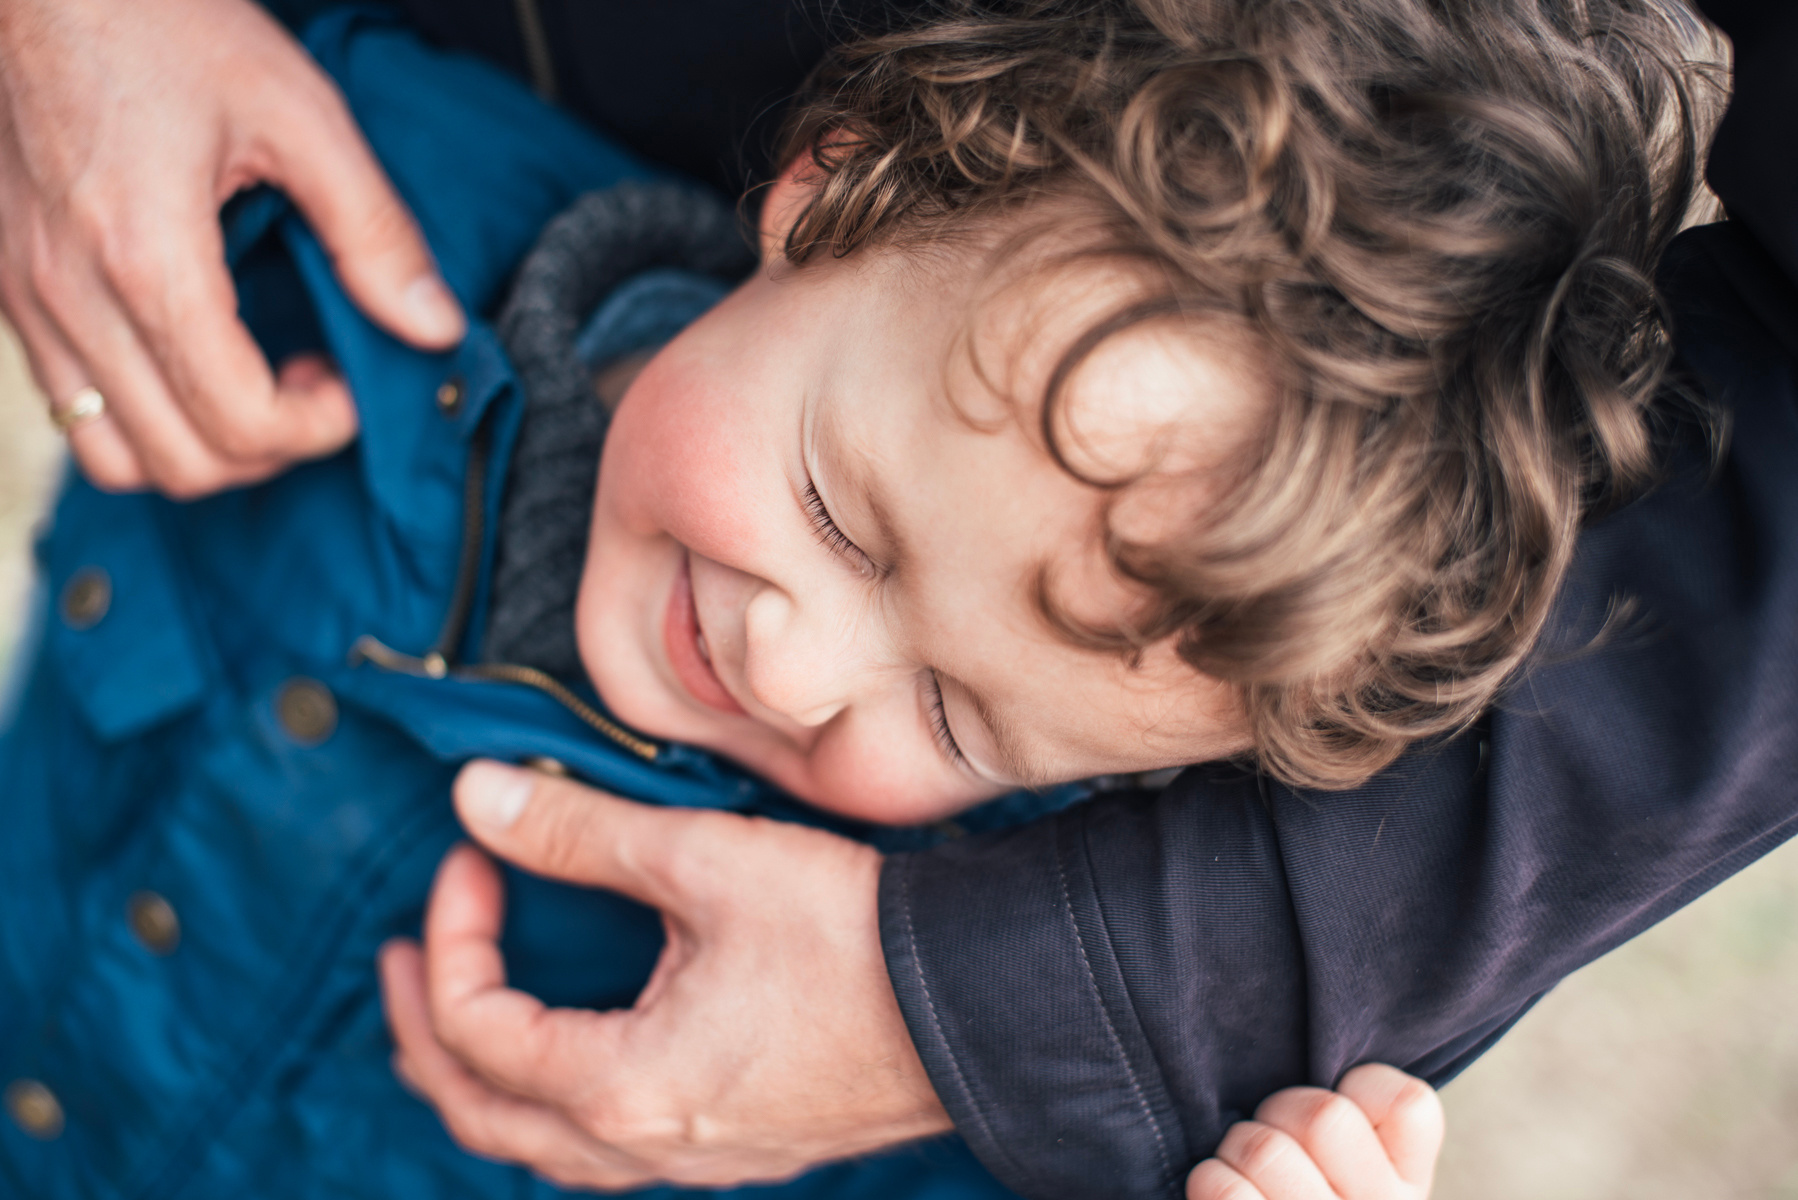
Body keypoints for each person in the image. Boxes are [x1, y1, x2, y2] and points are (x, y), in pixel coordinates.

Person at [0, 1, 1791, 1199]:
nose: (797, 671)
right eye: (842, 520)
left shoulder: (940, 969)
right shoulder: (360, 178)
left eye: (955, 716)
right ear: (837, 181)